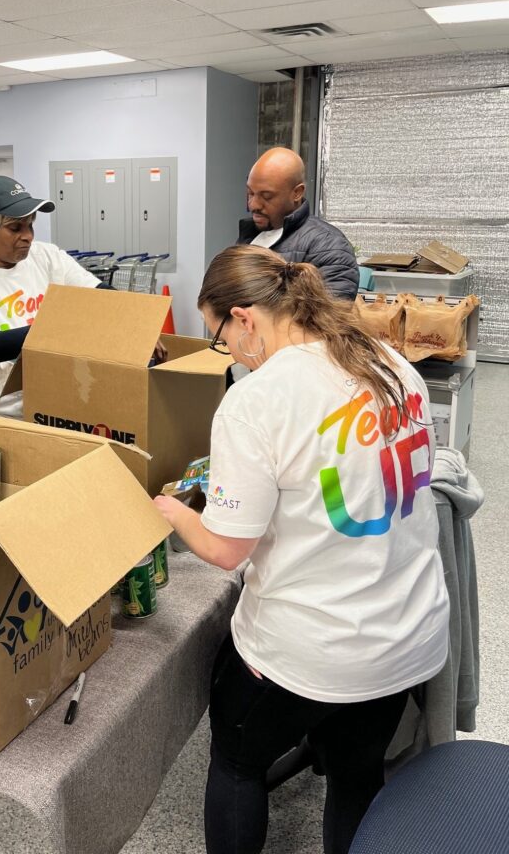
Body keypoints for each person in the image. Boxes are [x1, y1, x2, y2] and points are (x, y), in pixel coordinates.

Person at [155, 244, 449, 854]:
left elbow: (227, 548)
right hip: (406, 639)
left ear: (244, 319)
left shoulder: (257, 400)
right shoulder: (391, 362)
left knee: (237, 759)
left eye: (219, 337)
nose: (229, 355)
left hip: (313, 651)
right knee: (357, 772)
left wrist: (171, 512)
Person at [0, 175, 110, 419]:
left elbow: (101, 294)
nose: (28, 236)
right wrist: (68, 328)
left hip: (35, 407)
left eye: (30, 225)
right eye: (15, 228)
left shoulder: (47, 257)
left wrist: (137, 325)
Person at [239, 147, 359, 300]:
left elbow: (328, 319)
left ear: (297, 193)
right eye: (250, 193)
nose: (253, 205)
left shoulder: (330, 246)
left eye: (267, 196)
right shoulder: (250, 236)